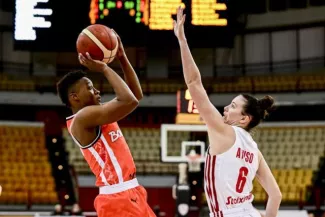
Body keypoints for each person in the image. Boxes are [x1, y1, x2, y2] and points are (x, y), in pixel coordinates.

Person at [173, 6, 282, 217]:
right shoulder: (254, 151)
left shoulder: (224, 131)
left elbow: (194, 83)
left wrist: (182, 40)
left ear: (244, 118)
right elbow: (275, 196)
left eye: (232, 106)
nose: (225, 108)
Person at [57, 31, 155, 217]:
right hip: (117, 197)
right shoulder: (83, 117)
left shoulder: (97, 114)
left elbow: (135, 96)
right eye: (90, 88)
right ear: (74, 97)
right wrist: (103, 68)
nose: (97, 91)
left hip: (130, 192)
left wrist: (122, 58)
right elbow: (130, 101)